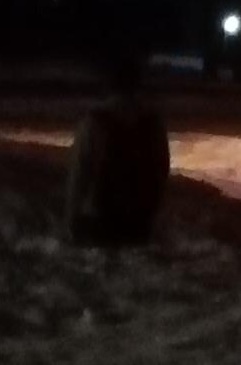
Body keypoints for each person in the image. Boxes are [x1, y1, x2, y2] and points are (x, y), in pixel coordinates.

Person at [66, 58, 170, 245]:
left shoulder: (94, 122)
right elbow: (162, 170)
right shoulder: (153, 123)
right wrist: (152, 209)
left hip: (100, 216)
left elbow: (80, 172)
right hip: (138, 218)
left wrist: (72, 216)